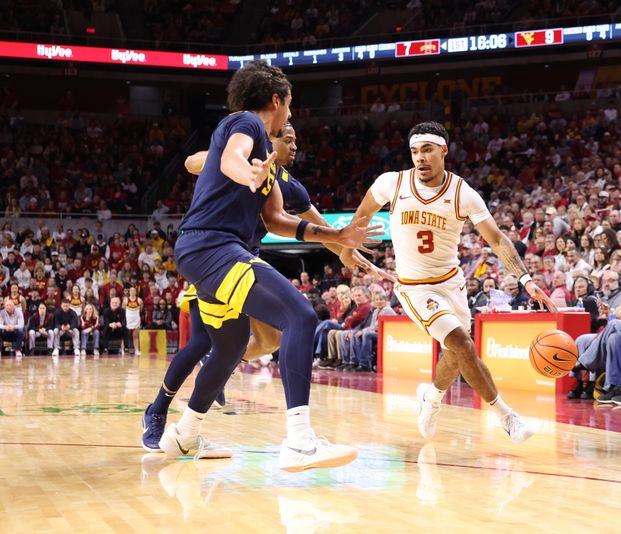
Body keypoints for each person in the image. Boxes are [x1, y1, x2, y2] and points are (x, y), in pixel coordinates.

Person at [158, 61, 375, 469]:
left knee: (230, 347)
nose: (290, 114)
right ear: (276, 100)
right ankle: (300, 441)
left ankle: (183, 435)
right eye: (289, 105)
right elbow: (231, 159)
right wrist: (248, 174)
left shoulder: (269, 166)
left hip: (205, 251)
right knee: (299, 315)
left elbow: (276, 220)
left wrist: (336, 236)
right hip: (213, 246)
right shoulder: (247, 123)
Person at [350, 121, 556, 444]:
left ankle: (431, 397)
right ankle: (507, 417)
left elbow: (497, 240)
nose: (420, 157)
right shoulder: (392, 183)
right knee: (462, 344)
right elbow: (359, 218)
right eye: (415, 151)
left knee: (456, 355)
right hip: (415, 288)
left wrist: (526, 279)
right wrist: (348, 249)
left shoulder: (463, 193)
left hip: (451, 284)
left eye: (427, 150)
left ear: (443, 151)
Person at [123, 286, 142, 355]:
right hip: (128, 319)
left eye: (134, 291)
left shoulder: (139, 300)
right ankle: (123, 349)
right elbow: (123, 309)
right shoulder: (125, 300)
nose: (133, 292)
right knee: (125, 334)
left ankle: (136, 350)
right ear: (129, 292)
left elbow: (141, 309)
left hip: (136, 319)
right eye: (131, 291)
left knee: (135, 335)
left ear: (136, 292)